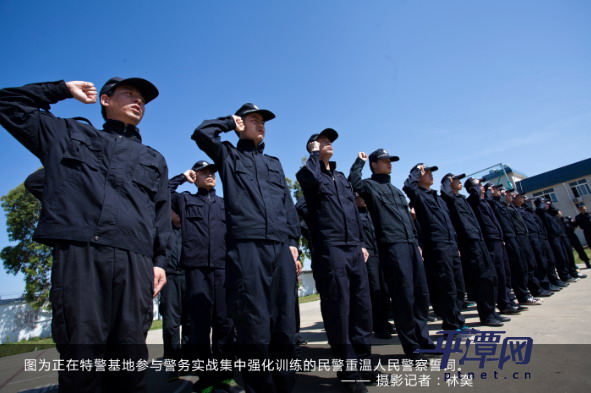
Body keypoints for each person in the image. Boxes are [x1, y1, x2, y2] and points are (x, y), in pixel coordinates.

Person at [0, 77, 171, 393]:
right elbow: (8, 103)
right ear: (105, 100)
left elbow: (161, 217)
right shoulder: (69, 134)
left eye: (143, 99)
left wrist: (160, 262)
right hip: (81, 255)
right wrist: (62, 89)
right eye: (129, 94)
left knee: (130, 359)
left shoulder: (154, 158)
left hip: (135, 262)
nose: (138, 101)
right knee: (82, 357)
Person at [192, 104, 300, 393]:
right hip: (247, 248)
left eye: (263, 121)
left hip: (280, 247)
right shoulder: (228, 155)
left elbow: (287, 206)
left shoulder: (274, 163)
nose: (261, 124)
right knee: (254, 326)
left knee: (285, 324)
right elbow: (201, 133)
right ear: (241, 123)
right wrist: (230, 122)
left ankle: (285, 387)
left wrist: (293, 243)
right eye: (254, 120)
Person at [296, 129, 374, 393]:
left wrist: (362, 243)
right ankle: (348, 369)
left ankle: (364, 364)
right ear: (313, 147)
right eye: (322, 141)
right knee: (339, 310)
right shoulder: (310, 173)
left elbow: (353, 212)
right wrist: (314, 154)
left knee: (362, 308)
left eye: (330, 141)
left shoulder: (341, 178)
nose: (328, 144)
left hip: (354, 249)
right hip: (330, 251)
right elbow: (308, 178)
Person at [348, 149, 434, 358]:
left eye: (390, 161)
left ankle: (424, 340)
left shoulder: (396, 190)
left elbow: (407, 218)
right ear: (374, 164)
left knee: (421, 295)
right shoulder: (369, 186)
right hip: (392, 245)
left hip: (411, 244)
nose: (389, 164)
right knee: (404, 296)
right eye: (384, 161)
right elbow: (354, 182)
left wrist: (417, 243)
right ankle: (412, 347)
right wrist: (359, 162)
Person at [169, 160, 239, 393]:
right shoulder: (185, 200)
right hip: (196, 269)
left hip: (223, 269)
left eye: (212, 173)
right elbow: (162, 190)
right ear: (195, 177)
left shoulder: (224, 203)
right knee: (200, 326)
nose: (209, 175)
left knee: (224, 324)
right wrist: (182, 176)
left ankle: (224, 375)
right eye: (203, 173)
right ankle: (206, 378)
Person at [403, 164, 470, 333]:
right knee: (446, 286)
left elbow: (448, 223)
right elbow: (407, 186)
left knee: (457, 285)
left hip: (451, 244)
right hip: (437, 246)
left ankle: (458, 321)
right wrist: (417, 171)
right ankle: (451, 325)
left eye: (432, 173)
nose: (431, 176)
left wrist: (455, 243)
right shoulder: (418, 195)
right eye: (427, 173)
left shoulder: (438, 198)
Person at [440, 174, 506, 325]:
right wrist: (447, 181)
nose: (459, 182)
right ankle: (486, 315)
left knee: (490, 277)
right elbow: (449, 193)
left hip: (479, 239)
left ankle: (491, 312)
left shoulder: (462, 199)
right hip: (469, 243)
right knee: (481, 279)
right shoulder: (449, 200)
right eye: (455, 180)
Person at [159, 211, 191, 379]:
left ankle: (186, 363)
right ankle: (172, 365)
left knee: (189, 323)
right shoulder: (164, 230)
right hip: (169, 278)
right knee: (170, 324)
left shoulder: (191, 230)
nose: (177, 213)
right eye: (174, 209)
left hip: (189, 278)